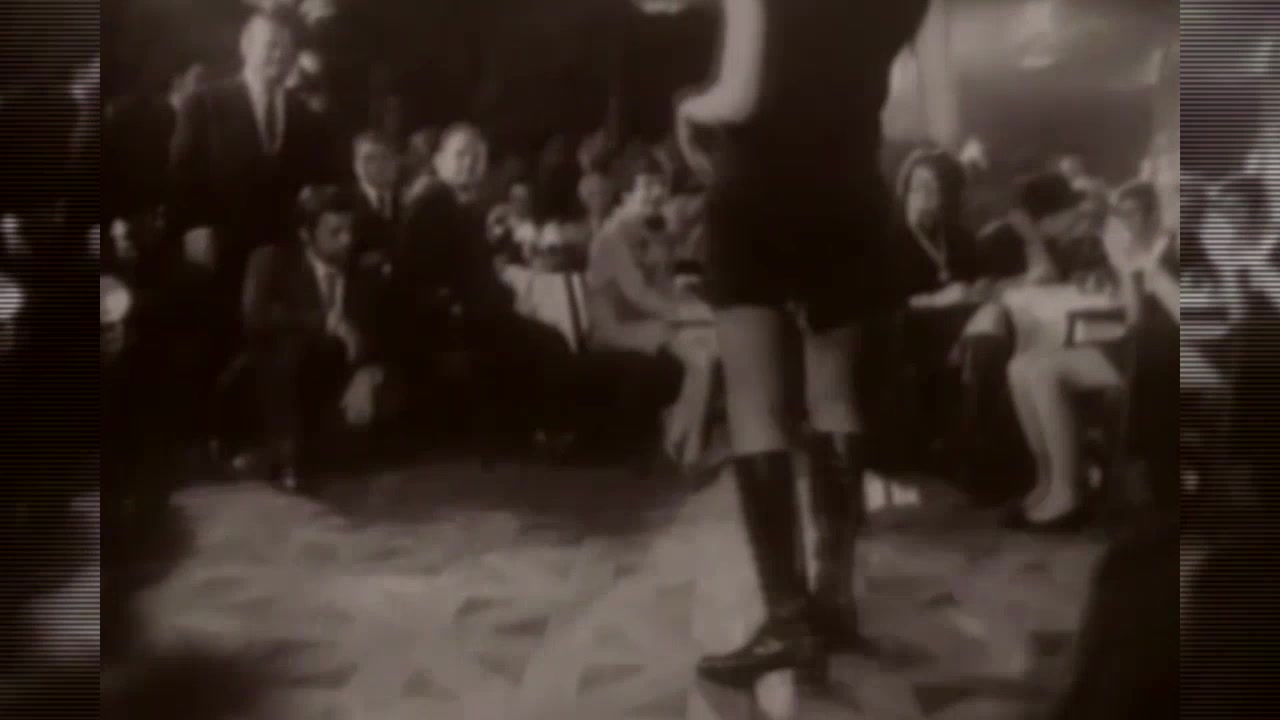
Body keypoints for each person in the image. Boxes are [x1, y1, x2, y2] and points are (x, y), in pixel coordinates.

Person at [673, 0, 931, 687]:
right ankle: (834, 601)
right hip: (850, 196)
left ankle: (786, 620)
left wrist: (691, 107)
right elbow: (937, 121)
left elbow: (740, 95)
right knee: (835, 397)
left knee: (755, 405)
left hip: (757, 191)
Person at [1003, 181, 1178, 529]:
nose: (1126, 221)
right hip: (1142, 343)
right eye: (1121, 213)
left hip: (1169, 354)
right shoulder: (1136, 248)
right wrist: (1124, 272)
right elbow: (1135, 317)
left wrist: (1147, 268)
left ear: (1156, 213)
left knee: (1045, 372)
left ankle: (1068, 493)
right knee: (1021, 365)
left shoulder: (1174, 249)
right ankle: (1047, 480)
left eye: (1134, 213)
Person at [241, 186, 389, 491]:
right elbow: (256, 316)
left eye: (350, 230)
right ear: (306, 235)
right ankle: (285, 453)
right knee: (289, 350)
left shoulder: (363, 269)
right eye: (335, 232)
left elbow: (382, 333)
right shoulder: (272, 261)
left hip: (340, 381)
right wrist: (326, 322)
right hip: (284, 378)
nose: (347, 240)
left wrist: (366, 373)